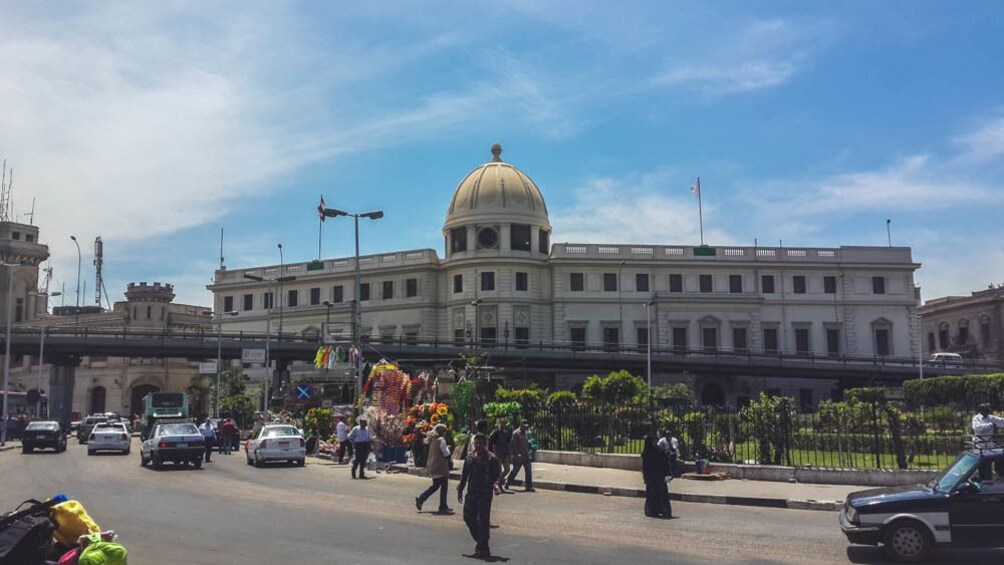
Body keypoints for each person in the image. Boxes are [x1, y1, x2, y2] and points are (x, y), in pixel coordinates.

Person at [457, 433, 502, 558]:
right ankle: (481, 542)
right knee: (468, 517)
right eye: (476, 443)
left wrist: (496, 484)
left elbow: (498, 475)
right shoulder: (470, 458)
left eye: (480, 443)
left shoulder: (491, 459)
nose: (478, 446)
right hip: (471, 493)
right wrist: (460, 489)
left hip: (485, 494)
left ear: (485, 444)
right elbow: (465, 475)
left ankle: (483, 547)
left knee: (483, 520)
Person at [416, 423, 453, 514]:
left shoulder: (432, 439)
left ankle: (422, 499)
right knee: (443, 485)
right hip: (440, 466)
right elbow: (446, 453)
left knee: (436, 485)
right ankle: (442, 506)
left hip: (433, 465)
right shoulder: (441, 440)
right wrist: (449, 451)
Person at [642, 435, 672, 518]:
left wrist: (667, 474)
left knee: (660, 494)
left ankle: (661, 510)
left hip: (659, 475)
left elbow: (665, 463)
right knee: (653, 494)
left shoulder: (659, 451)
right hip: (653, 476)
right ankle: (653, 510)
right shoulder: (648, 452)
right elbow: (645, 467)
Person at [972, 403, 1004, 479]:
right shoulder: (976, 418)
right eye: (986, 410)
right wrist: (990, 425)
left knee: (1000, 457)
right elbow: (977, 428)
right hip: (980, 444)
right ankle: (985, 478)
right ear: (981, 410)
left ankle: (1000, 474)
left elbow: (1001, 422)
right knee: (984, 462)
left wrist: (994, 423)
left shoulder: (991, 417)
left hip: (989, 444)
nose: (988, 412)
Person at [506, 420, 534, 492]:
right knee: (515, 470)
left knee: (528, 470)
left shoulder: (526, 433)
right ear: (521, 425)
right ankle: (508, 482)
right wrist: (516, 453)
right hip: (518, 455)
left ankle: (529, 486)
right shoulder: (515, 433)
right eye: (524, 426)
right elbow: (513, 444)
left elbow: (527, 444)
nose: (525, 428)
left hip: (526, 455)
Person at [488, 419, 512, 492]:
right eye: (502, 423)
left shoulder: (506, 433)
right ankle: (499, 486)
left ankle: (498, 482)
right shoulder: (495, 433)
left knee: (507, 469)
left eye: (504, 423)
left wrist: (509, 454)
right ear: (499, 423)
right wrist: (495, 455)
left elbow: (508, 444)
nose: (503, 424)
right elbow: (493, 445)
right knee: (499, 471)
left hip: (504, 453)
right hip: (498, 454)